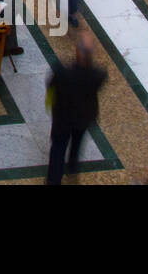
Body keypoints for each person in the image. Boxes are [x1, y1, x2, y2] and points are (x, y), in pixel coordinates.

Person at [46, 31, 107, 184]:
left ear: (77, 51)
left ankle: (54, 180)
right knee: (77, 143)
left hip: (63, 118)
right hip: (84, 117)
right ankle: (72, 168)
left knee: (58, 148)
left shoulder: (61, 72)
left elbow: (50, 85)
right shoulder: (98, 75)